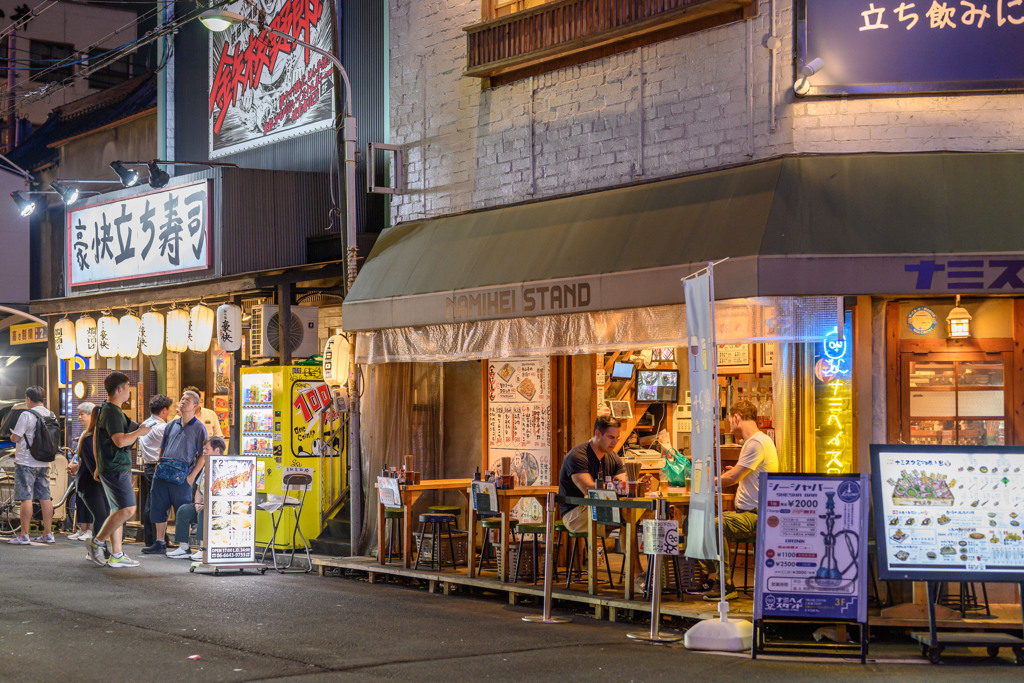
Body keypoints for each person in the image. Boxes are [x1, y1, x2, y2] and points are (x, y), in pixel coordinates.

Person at [693, 399, 779, 601]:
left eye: (730, 421)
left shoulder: (756, 443)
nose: (729, 426)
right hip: (749, 513)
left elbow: (731, 479)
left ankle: (726, 585)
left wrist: (705, 481)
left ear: (737, 418)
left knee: (714, 525)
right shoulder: (758, 441)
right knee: (694, 521)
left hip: (757, 516)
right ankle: (712, 578)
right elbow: (742, 474)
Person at [87, 372, 151, 568]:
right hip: (116, 467)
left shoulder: (108, 409)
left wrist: (98, 465)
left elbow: (97, 438)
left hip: (110, 466)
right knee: (128, 509)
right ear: (120, 389)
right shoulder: (112, 411)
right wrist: (140, 433)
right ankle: (96, 542)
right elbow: (120, 440)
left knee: (117, 510)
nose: (130, 391)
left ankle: (117, 554)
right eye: (128, 387)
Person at [143, 390, 208, 555]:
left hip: (182, 475)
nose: (183, 401)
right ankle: (159, 542)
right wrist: (158, 466)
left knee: (182, 510)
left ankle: (183, 545)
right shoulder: (171, 424)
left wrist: (192, 476)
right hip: (163, 472)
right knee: (158, 507)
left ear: (195, 406)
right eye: (182, 398)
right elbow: (163, 447)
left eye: (187, 400)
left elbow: (203, 455)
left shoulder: (199, 427)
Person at [557, 415, 627, 534]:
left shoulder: (613, 457)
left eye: (617, 438)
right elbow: (588, 489)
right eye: (611, 437)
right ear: (598, 434)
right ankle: (628, 552)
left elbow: (622, 482)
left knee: (632, 516)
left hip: (600, 507)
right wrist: (616, 486)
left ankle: (629, 553)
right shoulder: (577, 456)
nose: (615, 442)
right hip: (575, 512)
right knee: (626, 517)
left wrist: (630, 485)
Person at [7, 386, 58, 545]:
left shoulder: (26, 414)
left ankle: (24, 535)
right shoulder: (51, 414)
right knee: (45, 496)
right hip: (44, 461)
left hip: (26, 462)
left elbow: (15, 438)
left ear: (28, 399)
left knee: (26, 498)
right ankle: (48, 533)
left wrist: (12, 434)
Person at [167, 436, 224, 560]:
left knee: (204, 512)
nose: (203, 451)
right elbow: (199, 489)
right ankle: (183, 548)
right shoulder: (205, 467)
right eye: (203, 449)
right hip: (203, 504)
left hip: (218, 507)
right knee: (184, 510)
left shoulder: (225, 468)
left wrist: (205, 505)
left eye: (206, 449)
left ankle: (203, 550)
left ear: (217, 450)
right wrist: (197, 503)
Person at [68, 403, 110, 544]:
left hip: (90, 482)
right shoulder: (89, 437)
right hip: (91, 482)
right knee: (100, 515)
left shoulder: (92, 436)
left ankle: (97, 545)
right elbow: (92, 464)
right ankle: (95, 545)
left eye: (82, 414)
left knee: (101, 515)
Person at [137, 395, 173, 547]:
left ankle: (157, 538)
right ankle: (153, 539)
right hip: (158, 467)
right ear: (164, 410)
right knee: (155, 504)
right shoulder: (162, 428)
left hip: (148, 466)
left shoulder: (145, 424)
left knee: (152, 502)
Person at [68, 403, 97, 541]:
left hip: (90, 473)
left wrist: (77, 466)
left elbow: (90, 457)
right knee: (80, 501)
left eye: (82, 415)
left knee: (90, 501)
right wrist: (72, 463)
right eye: (79, 414)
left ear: (91, 415)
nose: (80, 417)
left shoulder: (95, 433)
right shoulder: (84, 433)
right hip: (82, 473)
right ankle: (83, 529)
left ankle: (90, 530)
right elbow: (78, 453)